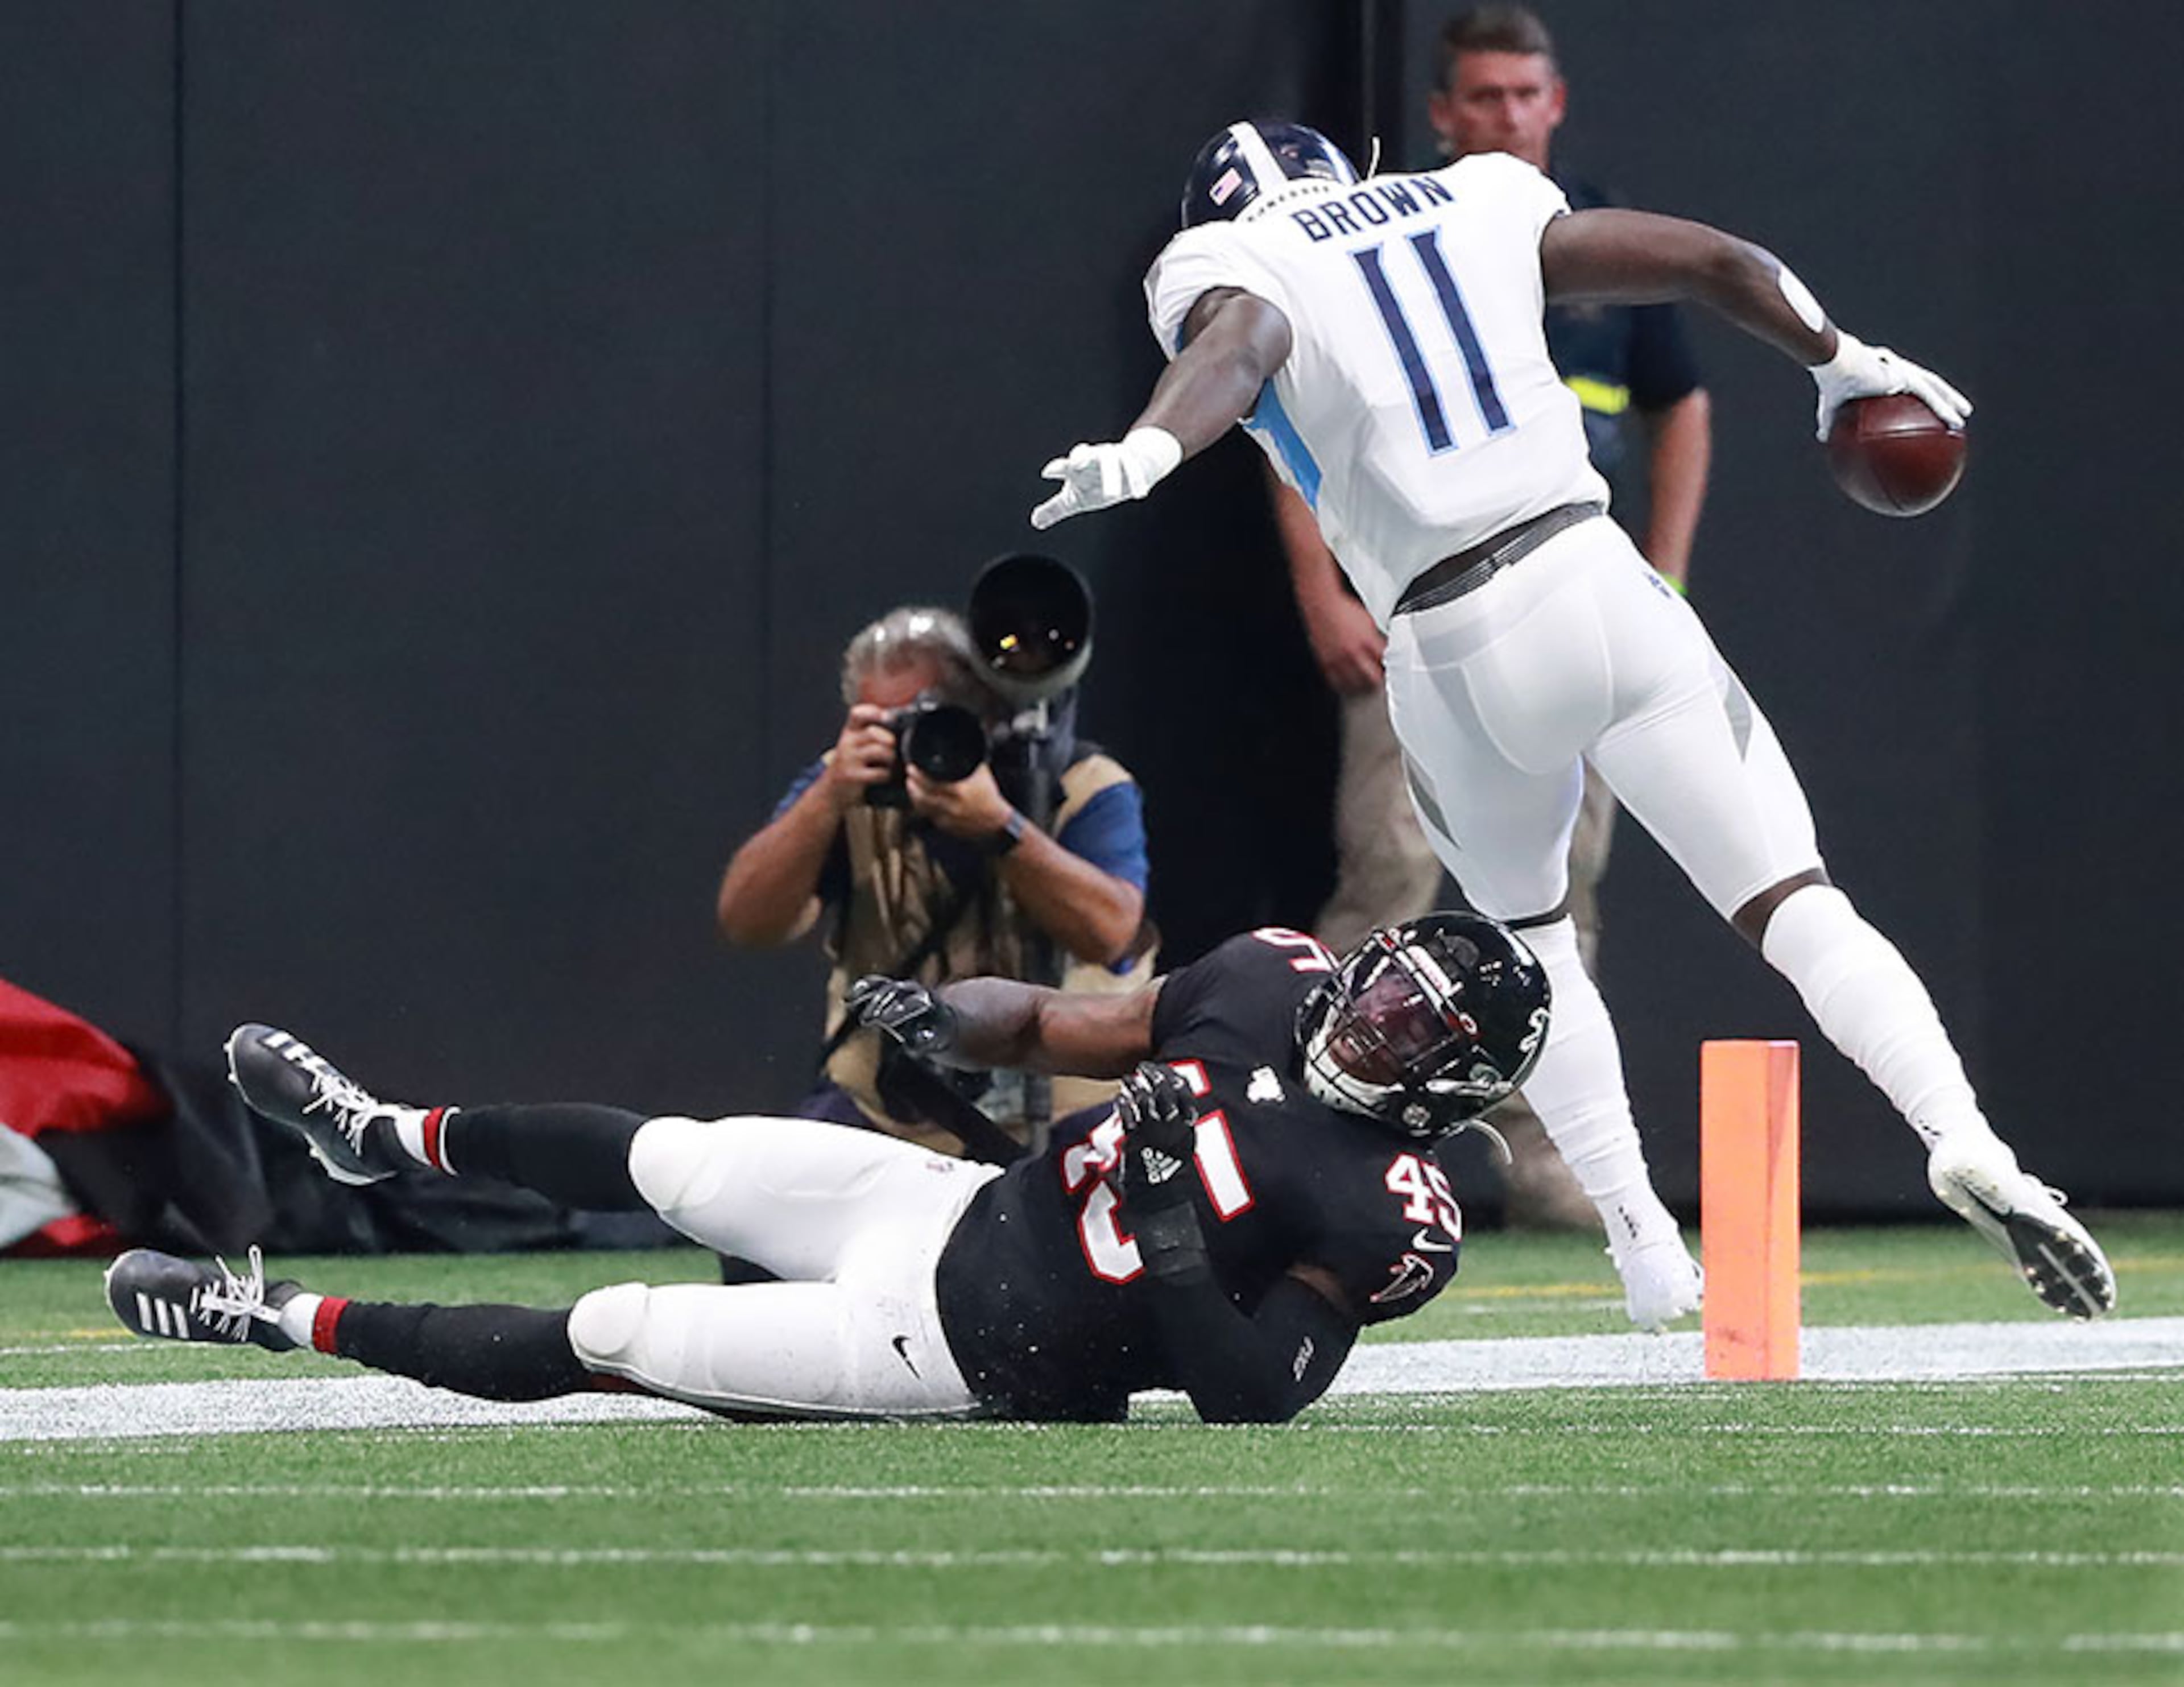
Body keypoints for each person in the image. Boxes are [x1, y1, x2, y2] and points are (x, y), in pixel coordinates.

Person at [1025, 121, 2116, 1326]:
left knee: (1537, 947)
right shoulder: (1472, 197)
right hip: (1591, 574)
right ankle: (1962, 1135)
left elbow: (1244, 344)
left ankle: (1646, 1247)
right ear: (1350, 168)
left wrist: (1146, 449)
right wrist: (1845, 359)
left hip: (1443, 643)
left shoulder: (1227, 261)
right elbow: (1714, 260)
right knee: (1800, 905)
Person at [101, 914, 1550, 1424]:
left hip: (954, 1347)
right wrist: (944, 1010)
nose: (1369, 1015)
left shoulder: (1390, 1208)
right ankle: (377, 1133)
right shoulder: (1259, 979)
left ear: (1450, 1076)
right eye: (1381, 982)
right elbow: (1048, 1020)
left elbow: (1247, 1398)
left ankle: (265, 1309)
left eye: (1409, 1022)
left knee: (615, 1329)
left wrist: (1169, 1214)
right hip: (947, 1205)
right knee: (673, 1151)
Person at [1281, 5, 1712, 1230]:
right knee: (1396, 870)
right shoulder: (1383, 235)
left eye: (1526, 96)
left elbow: (1680, 401)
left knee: (1563, 886)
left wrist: (1663, 579)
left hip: (1580, 603)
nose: (1506, 117)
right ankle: (1322, 1139)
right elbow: (1286, 416)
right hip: (1427, 608)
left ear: (1556, 103)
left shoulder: (1594, 231)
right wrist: (1323, 586)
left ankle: (1547, 1149)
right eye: (1483, 98)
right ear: (1440, 113)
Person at [715, 602, 1155, 1153]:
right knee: (769, 1210)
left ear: (984, 711)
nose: (913, 740)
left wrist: (1003, 828)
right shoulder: (849, 782)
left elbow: (1111, 934)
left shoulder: (1081, 783)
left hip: (1067, 1106)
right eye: (887, 723)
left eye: (930, 718)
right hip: (891, 1103)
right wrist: (827, 796)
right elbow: (749, 922)